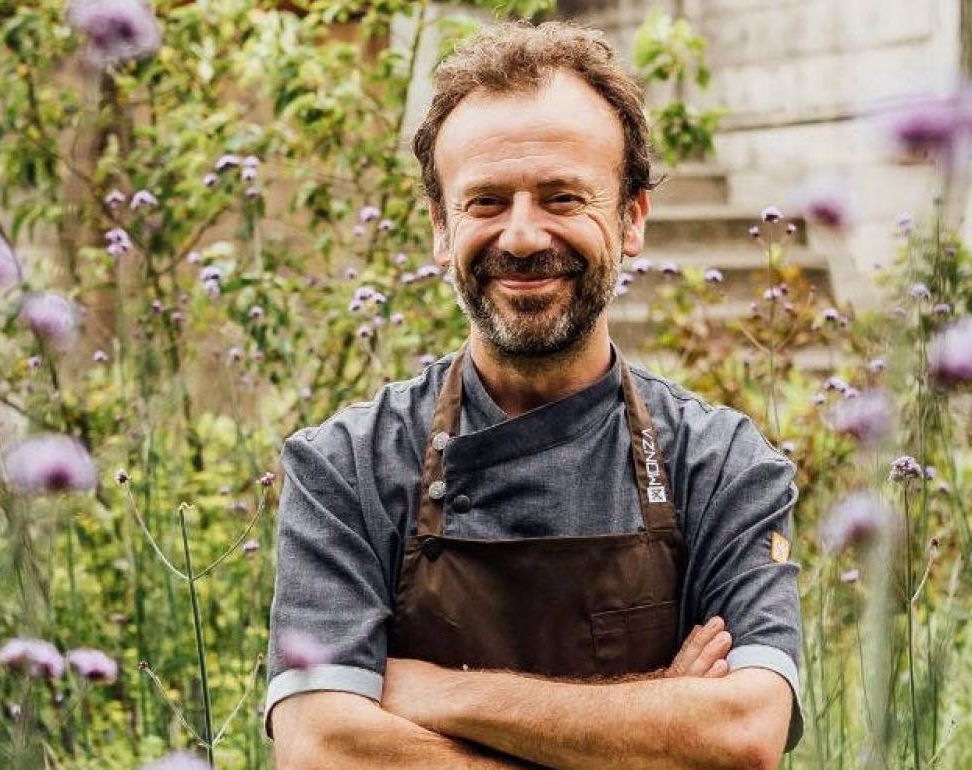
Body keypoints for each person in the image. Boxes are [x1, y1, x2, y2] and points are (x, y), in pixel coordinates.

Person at [265, 20, 803, 769]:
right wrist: (652, 731)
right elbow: (322, 748)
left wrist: (430, 693)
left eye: (562, 197)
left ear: (632, 217)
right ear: (439, 229)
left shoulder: (722, 465)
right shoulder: (345, 466)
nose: (521, 237)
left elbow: (741, 735)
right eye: (485, 202)